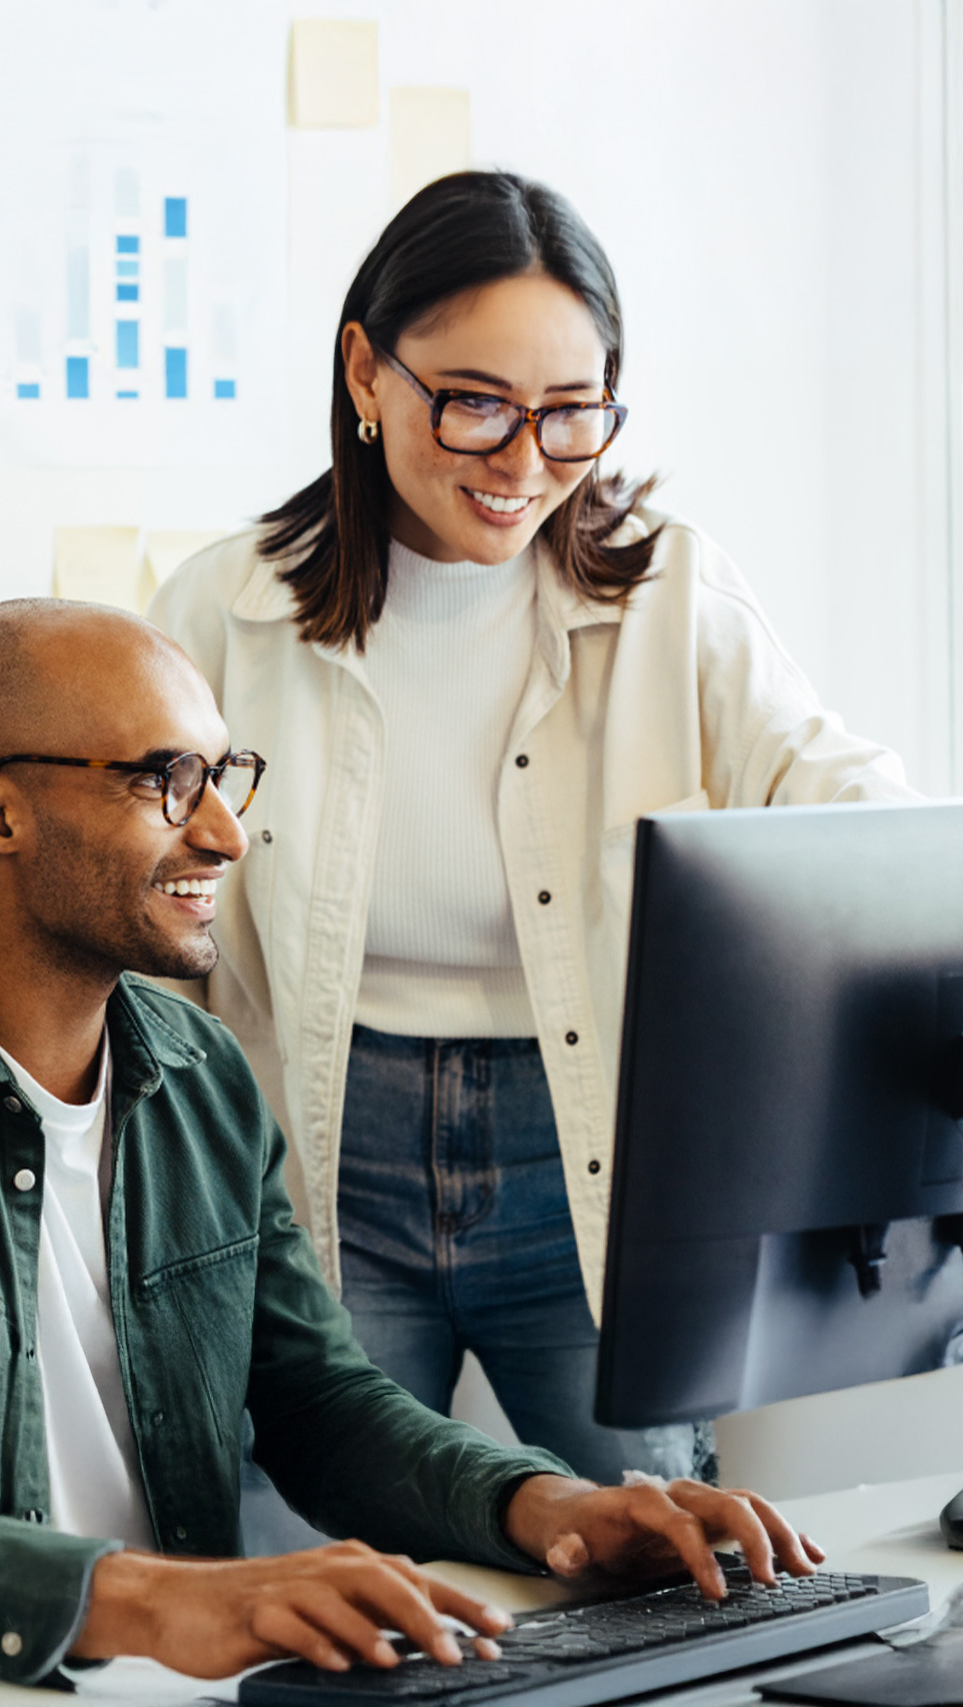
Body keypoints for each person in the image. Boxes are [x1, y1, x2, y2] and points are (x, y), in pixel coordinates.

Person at [0, 600, 820, 1692]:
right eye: (165, 779)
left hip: (154, 1680)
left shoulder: (198, 1070)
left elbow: (313, 1396)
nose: (223, 832)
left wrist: (550, 1507)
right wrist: (152, 1601)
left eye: (223, 774)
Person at [149, 170, 914, 1490]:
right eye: (478, 404)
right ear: (366, 372)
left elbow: (850, 809)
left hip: (590, 1154)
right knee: (331, 1577)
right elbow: (142, 895)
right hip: (322, 1150)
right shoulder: (226, 609)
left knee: (655, 1551)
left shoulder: (670, 592)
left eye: (573, 416)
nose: (522, 465)